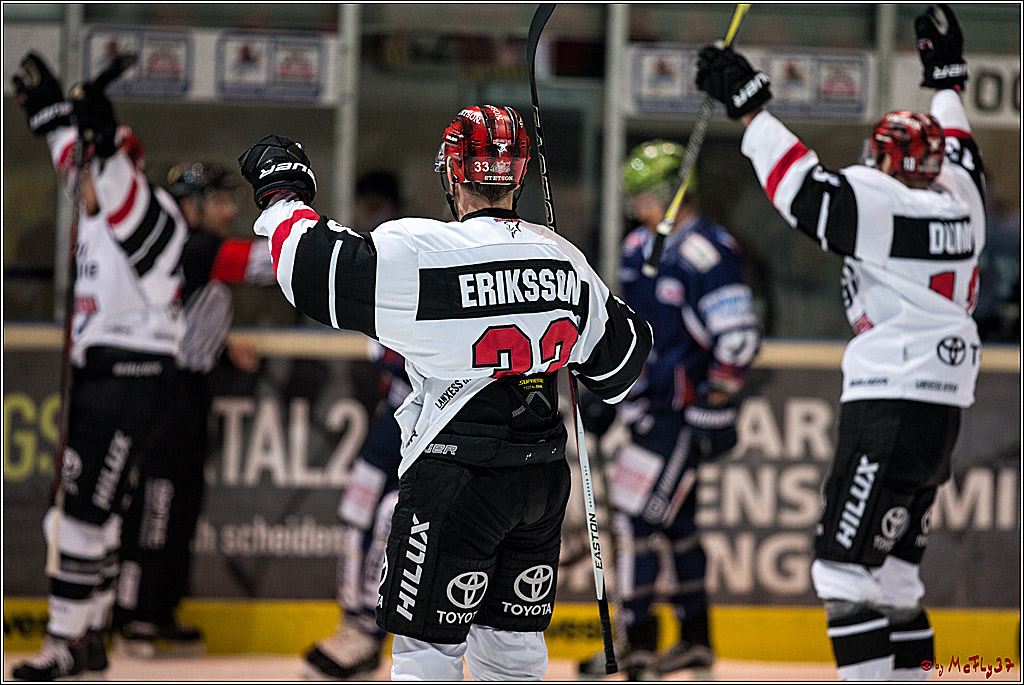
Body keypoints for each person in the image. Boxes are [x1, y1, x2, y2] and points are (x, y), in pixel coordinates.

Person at [236, 104, 653, 680]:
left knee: (426, 651)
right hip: (539, 480)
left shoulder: (423, 250)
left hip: (454, 478)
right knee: (512, 653)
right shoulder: (564, 257)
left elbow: (311, 272)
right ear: (521, 174)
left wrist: (283, 193)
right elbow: (621, 367)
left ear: (454, 172)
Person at [695, 4, 984, 679]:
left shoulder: (882, 205)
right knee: (896, 581)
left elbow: (802, 190)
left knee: (842, 573)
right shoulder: (961, 193)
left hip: (889, 405)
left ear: (887, 162)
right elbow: (961, 142)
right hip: (940, 410)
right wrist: (947, 79)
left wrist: (749, 105)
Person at [10, 53, 187, 680]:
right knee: (94, 512)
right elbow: (80, 166)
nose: (76, 182)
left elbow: (115, 186)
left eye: (94, 168)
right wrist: (55, 116)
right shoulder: (96, 202)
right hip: (104, 380)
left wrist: (103, 140)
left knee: (80, 513)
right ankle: (88, 636)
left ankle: (63, 642)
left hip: (130, 381)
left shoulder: (151, 216)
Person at [578, 142, 760, 679]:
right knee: (676, 525)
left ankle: (636, 641)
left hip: (684, 415)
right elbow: (630, 335)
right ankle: (696, 641)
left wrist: (716, 405)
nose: (636, 206)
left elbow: (739, 339)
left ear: (671, 193)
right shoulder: (638, 247)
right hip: (650, 410)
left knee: (637, 518)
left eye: (644, 195)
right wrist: (611, 392)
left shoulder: (709, 252)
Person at [113, 161, 276, 657]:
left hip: (189, 388)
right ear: (189, 206)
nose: (229, 210)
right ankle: (136, 611)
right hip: (163, 390)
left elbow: (184, 313)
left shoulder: (192, 248)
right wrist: (319, 248)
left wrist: (224, 349)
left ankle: (160, 609)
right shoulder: (189, 245)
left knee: (182, 502)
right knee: (158, 501)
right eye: (220, 201)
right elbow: (256, 266)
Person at [302, 173, 411, 680]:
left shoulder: (423, 285)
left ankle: (371, 631)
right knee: (357, 509)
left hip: (423, 424)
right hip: (391, 416)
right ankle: (352, 626)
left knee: (390, 519)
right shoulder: (377, 290)